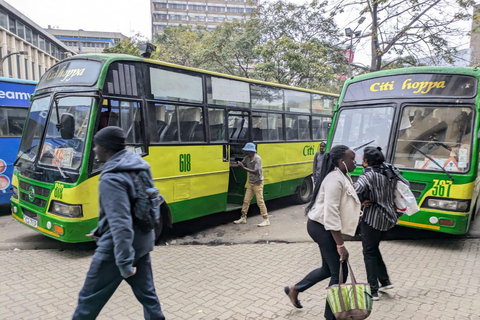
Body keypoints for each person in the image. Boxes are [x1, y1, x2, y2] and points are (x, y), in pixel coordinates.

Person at [72, 126, 165, 320]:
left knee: (88, 300)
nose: (94, 149)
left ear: (106, 148)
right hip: (142, 244)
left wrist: (124, 263)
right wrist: (99, 230)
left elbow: (121, 224)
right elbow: (134, 207)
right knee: (149, 298)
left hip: (116, 251)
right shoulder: (139, 164)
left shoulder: (111, 177)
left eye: (96, 145)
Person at [284, 145, 361, 320]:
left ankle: (295, 289)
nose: (355, 162)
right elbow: (331, 213)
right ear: (342, 161)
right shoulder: (334, 179)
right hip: (322, 227)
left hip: (322, 226)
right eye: (352, 159)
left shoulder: (341, 175)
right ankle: (331, 316)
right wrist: (340, 245)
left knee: (329, 269)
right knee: (340, 273)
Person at [354, 146, 408, 301]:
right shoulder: (388, 171)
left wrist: (361, 201)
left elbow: (353, 192)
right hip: (389, 217)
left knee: (368, 252)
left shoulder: (368, 176)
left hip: (372, 219)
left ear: (366, 161)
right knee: (373, 248)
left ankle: (373, 290)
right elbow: (405, 183)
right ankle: (384, 281)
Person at [232, 142, 270, 227]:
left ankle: (266, 219)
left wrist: (243, 167)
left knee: (260, 201)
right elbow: (241, 164)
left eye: (247, 151)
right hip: (251, 182)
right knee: (246, 201)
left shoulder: (257, 159)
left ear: (251, 151)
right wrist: (230, 166)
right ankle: (243, 217)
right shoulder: (247, 158)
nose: (245, 152)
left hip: (258, 183)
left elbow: (256, 172)